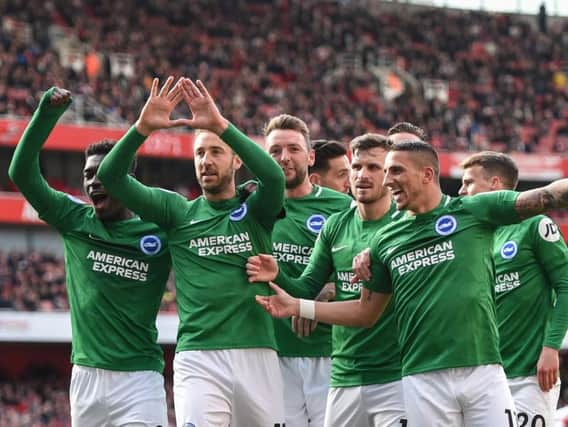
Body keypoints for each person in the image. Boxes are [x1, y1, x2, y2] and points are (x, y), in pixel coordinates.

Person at [252, 140, 568, 426]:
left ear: (427, 175)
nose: (388, 181)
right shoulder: (384, 241)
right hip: (420, 380)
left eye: (396, 172)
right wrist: (298, 305)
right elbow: (365, 313)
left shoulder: (471, 210)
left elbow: (548, 195)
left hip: (483, 371)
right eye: (385, 171)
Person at [97, 77, 286, 427]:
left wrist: (220, 126)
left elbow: (275, 179)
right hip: (199, 358)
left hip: (257, 353)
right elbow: (112, 177)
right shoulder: (178, 212)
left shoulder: (257, 211)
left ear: (236, 161)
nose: (206, 161)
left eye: (216, 151)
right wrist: (141, 128)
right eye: (200, 153)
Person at [8, 87, 172, 427]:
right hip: (85, 381)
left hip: (139, 380)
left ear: (126, 179)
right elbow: (21, 173)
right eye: (87, 175)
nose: (94, 182)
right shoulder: (74, 219)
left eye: (103, 174)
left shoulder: (160, 231)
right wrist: (47, 114)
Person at [249, 133, 407, 427]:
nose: (362, 175)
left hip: (395, 375)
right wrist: (278, 274)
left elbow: (365, 313)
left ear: (390, 175)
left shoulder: (405, 225)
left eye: (374, 168)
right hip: (344, 374)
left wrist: (300, 306)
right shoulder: (336, 226)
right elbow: (305, 287)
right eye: (357, 167)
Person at [459, 151, 568, 426]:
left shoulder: (534, 225)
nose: (461, 191)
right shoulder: (471, 234)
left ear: (495, 185)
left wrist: (551, 347)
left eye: (469, 182)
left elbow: (566, 285)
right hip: (482, 373)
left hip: (528, 374)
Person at [264, 114, 353, 427]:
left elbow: (360, 270)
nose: (284, 158)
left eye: (293, 149)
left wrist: (323, 293)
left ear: (310, 156)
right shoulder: (251, 204)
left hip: (330, 351)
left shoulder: (343, 207)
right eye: (275, 151)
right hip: (274, 352)